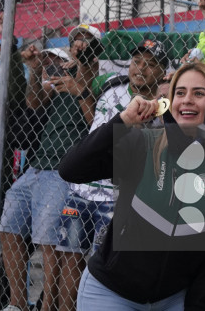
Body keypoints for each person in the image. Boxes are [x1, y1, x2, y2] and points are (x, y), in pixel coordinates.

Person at [59, 62, 205, 309]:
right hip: (112, 293)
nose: (187, 100)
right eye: (180, 92)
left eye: (199, 93)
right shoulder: (142, 144)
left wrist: (197, 304)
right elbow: (71, 169)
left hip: (175, 297)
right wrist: (122, 121)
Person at [55, 39, 168, 311]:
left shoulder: (162, 106)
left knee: (102, 263)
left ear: (162, 71)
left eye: (150, 64)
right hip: (82, 187)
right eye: (137, 61)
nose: (140, 68)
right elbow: (86, 82)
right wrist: (82, 59)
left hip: (114, 196)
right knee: (70, 258)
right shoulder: (110, 86)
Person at [0, 25, 103, 311]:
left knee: (49, 241)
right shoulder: (60, 76)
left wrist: (80, 65)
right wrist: (35, 70)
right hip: (35, 166)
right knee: (8, 226)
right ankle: (17, 304)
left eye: (85, 40)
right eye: (75, 40)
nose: (79, 43)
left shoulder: (97, 76)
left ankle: (48, 306)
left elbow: (92, 107)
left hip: (63, 167)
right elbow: (34, 101)